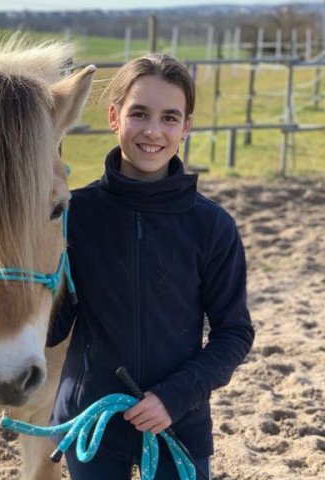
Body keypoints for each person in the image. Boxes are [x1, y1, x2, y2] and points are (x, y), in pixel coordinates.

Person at [47, 53, 255, 479]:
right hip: (92, 423)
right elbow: (52, 327)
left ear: (186, 127)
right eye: (139, 113)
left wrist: (174, 398)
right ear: (114, 116)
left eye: (170, 117)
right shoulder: (73, 215)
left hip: (179, 421)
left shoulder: (211, 226)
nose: (153, 131)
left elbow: (234, 333)